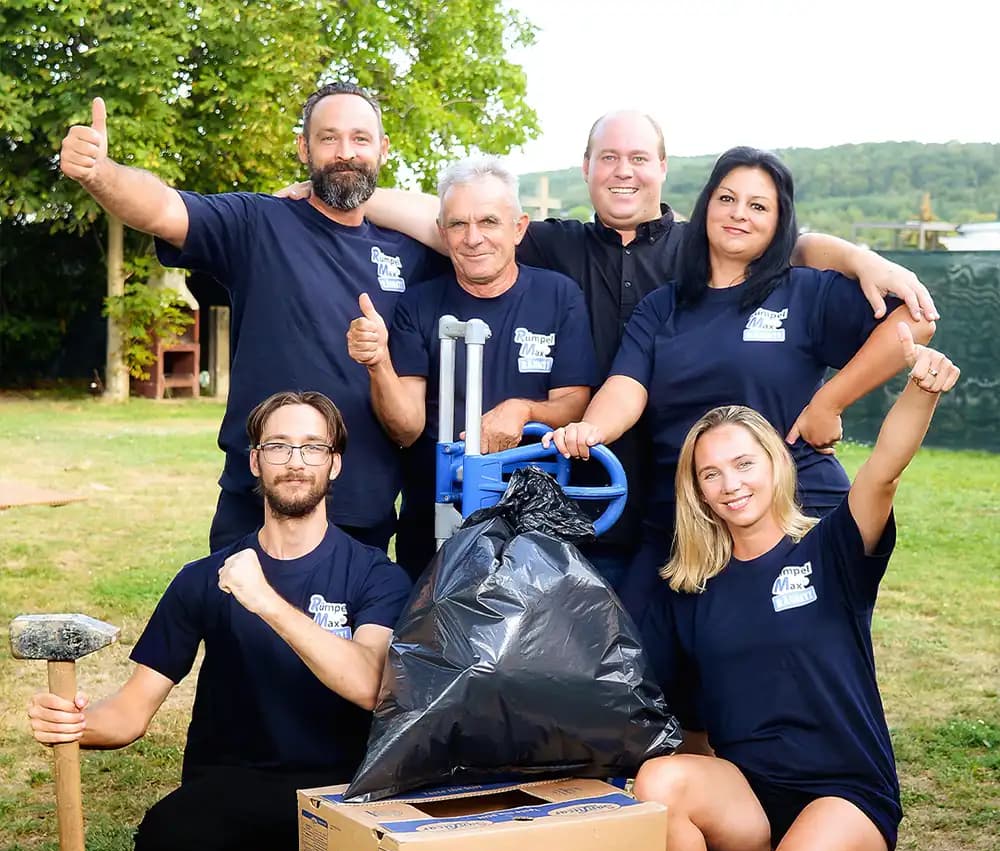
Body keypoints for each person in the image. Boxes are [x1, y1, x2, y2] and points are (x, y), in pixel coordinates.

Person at [281, 109, 939, 586]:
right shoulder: (548, 244)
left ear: (663, 170)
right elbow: (446, 218)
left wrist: (855, 259)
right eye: (608, 158)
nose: (623, 171)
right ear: (587, 169)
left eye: (638, 158)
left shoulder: (703, 244)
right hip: (586, 505)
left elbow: (790, 242)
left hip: (708, 498)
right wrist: (328, 197)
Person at [26, 391, 412, 851]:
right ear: (255, 462)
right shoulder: (203, 580)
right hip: (235, 783)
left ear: (334, 463)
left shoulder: (375, 575)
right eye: (278, 445)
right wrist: (75, 723)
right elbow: (131, 712)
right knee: (165, 836)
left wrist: (268, 603)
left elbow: (369, 685)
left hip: (340, 792)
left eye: (312, 446)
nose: (295, 460)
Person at [629, 325, 959, 851]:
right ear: (697, 491)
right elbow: (694, 725)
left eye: (743, 464)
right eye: (710, 473)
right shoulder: (693, 589)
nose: (729, 484)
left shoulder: (830, 553)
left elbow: (883, 473)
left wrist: (919, 393)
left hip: (844, 793)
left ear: (776, 465)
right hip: (754, 794)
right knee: (658, 785)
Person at [546, 146, 937, 621]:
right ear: (707, 205)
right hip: (683, 516)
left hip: (792, 510)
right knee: (639, 664)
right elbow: (627, 386)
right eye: (727, 199)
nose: (739, 215)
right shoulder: (663, 306)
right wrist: (592, 430)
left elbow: (913, 323)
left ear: (779, 221)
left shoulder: (803, 293)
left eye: (758, 206)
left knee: (778, 668)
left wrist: (829, 402)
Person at [59, 84, 443, 553]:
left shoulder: (411, 253)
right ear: (303, 147)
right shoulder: (259, 224)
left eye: (361, 139)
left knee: (351, 632)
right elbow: (163, 208)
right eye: (329, 139)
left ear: (383, 148)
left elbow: (470, 223)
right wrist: (101, 173)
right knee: (240, 626)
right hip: (257, 506)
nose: (346, 152)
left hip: (362, 515)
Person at [345, 156, 596, 580]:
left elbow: (574, 403)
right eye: (458, 225)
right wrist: (378, 364)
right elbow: (406, 428)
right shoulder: (418, 304)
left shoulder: (559, 296)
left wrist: (524, 410)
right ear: (442, 233)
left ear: (519, 227)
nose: (473, 238)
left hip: (532, 522)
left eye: (489, 222)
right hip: (434, 521)